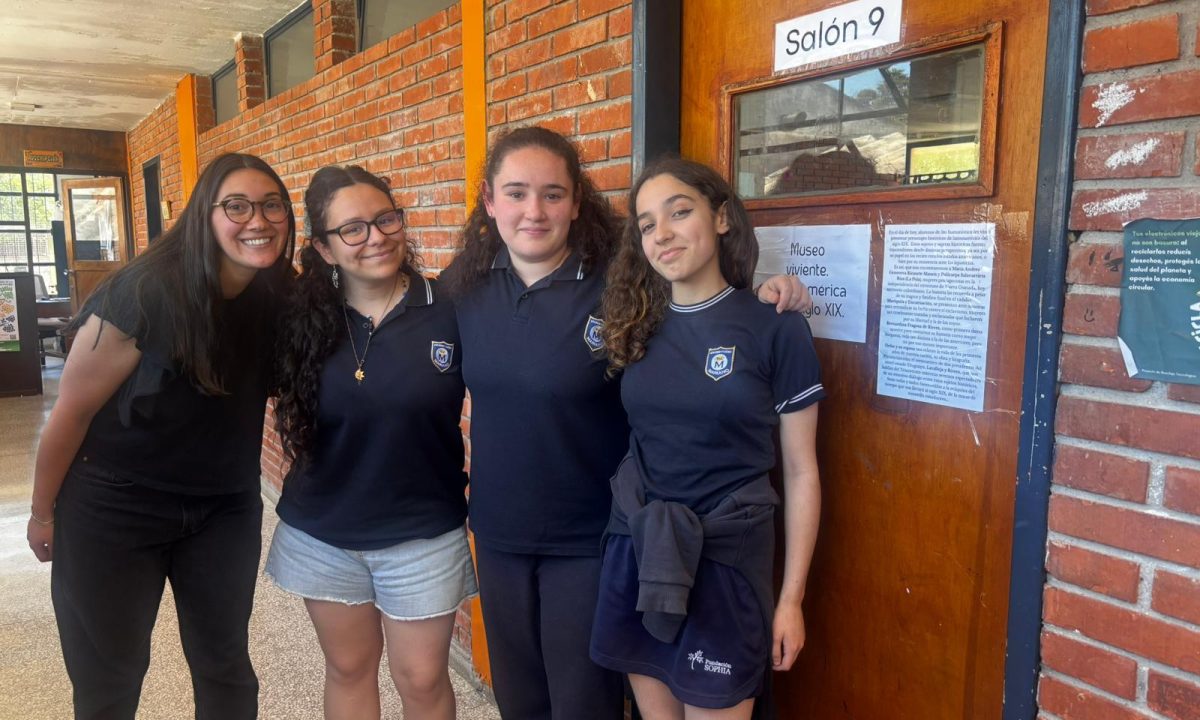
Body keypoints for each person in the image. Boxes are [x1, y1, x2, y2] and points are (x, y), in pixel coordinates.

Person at [442, 127, 812, 720]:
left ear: (576, 202)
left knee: (585, 705)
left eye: (552, 194)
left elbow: (705, 300)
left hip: (596, 537)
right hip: (501, 532)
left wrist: (772, 286)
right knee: (519, 701)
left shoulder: (617, 288)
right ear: (489, 201)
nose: (534, 211)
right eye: (515, 193)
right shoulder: (463, 288)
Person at [26, 153, 296, 720]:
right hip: (115, 505)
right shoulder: (143, 293)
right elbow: (71, 413)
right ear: (204, 215)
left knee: (225, 667)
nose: (258, 220)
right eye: (237, 206)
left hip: (223, 507)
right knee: (108, 678)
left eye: (272, 205)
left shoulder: (278, 294)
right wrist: (42, 512)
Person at [593, 157, 824, 720]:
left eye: (679, 212)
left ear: (721, 218)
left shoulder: (776, 325)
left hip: (726, 561)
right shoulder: (635, 324)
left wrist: (791, 599)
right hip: (641, 550)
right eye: (647, 224)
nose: (662, 233)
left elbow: (801, 472)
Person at [267, 165, 476, 720]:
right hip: (324, 535)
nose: (376, 237)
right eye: (352, 229)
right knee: (349, 669)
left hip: (423, 533)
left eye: (385, 220)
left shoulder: (447, 307)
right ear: (324, 248)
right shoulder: (300, 317)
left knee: (423, 680)